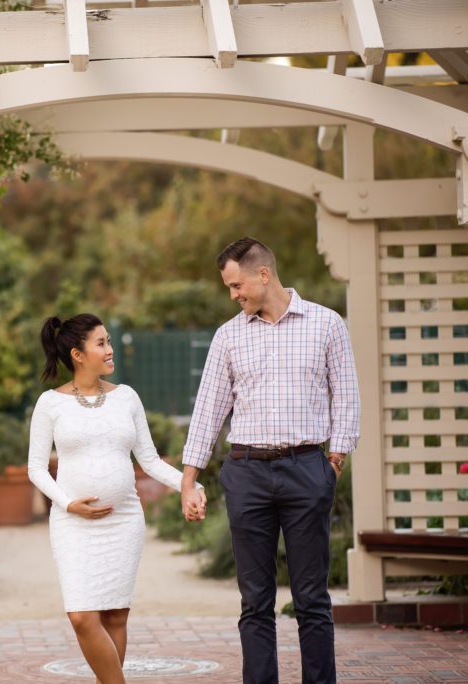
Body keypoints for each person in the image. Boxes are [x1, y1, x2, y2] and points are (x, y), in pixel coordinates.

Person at [180, 237, 360, 684]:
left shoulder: (326, 324)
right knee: (254, 601)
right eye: (229, 288)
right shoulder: (228, 336)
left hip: (307, 470)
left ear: (263, 274)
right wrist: (189, 479)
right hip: (247, 473)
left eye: (236, 284)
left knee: (312, 599)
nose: (233, 295)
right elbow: (208, 410)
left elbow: (348, 397)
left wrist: (332, 463)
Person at [28, 313, 206, 684]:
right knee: (81, 616)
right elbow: (36, 469)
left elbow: (151, 460)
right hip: (73, 523)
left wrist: (189, 486)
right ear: (78, 354)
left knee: (115, 616)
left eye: (108, 341)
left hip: (123, 520)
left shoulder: (127, 397)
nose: (110, 350)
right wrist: (67, 504)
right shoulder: (50, 404)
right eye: (101, 343)